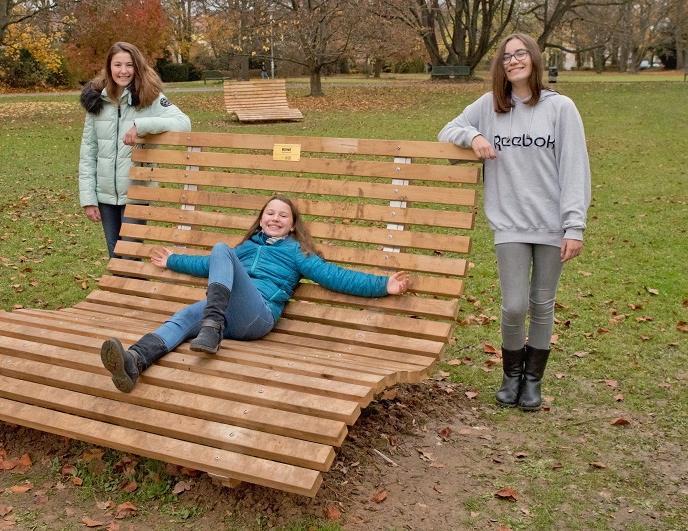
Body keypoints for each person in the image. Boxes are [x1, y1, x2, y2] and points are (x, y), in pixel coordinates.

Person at [99, 195, 412, 393]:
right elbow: (211, 264)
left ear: (292, 226)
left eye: (283, 215)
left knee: (222, 252)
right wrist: (172, 260)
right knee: (183, 316)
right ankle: (134, 362)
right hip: (225, 315)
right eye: (270, 213)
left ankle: (211, 325)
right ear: (261, 219)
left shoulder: (297, 252)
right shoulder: (247, 247)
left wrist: (383, 286)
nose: (275, 218)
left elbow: (336, 277)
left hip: (256, 316)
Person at [437, 33, 591, 412]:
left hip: (552, 225)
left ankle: (532, 381)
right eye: (506, 57)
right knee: (514, 306)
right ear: (500, 66)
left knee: (542, 303)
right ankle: (511, 375)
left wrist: (574, 226)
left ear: (534, 59)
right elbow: (446, 131)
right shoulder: (491, 106)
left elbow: (575, 169)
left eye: (520, 54)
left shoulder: (561, 108)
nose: (513, 61)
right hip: (509, 223)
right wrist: (472, 135)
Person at [79, 42, 191, 261]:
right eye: (117, 64)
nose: (123, 71)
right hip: (104, 195)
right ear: (109, 67)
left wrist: (143, 125)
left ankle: (137, 293)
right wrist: (89, 198)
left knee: (130, 254)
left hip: (136, 192)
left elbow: (184, 123)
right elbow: (88, 153)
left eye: (129, 65)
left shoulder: (150, 96)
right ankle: (127, 294)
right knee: (116, 255)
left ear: (137, 67)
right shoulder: (96, 100)